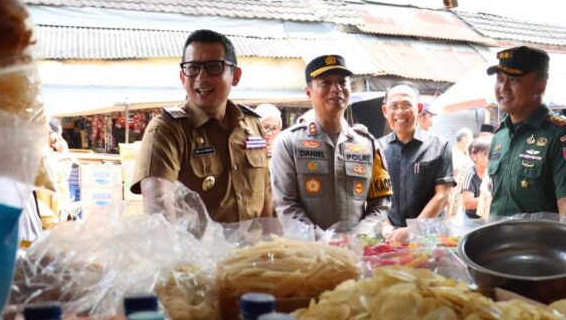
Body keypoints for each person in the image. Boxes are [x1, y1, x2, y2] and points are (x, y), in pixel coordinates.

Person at [131, 29, 272, 223]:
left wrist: (273, 247)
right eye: (192, 67)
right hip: (202, 252)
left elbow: (266, 202)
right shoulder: (166, 130)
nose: (201, 77)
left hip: (255, 251)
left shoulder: (253, 125)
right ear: (182, 77)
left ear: (236, 76)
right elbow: (158, 205)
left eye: (214, 66)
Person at [270, 55, 392, 237]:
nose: (336, 89)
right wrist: (323, 240)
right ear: (308, 92)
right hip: (308, 255)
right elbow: (286, 205)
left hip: (355, 252)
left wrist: (359, 237)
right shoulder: (288, 142)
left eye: (342, 82)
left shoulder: (368, 143)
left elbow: (381, 202)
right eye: (325, 83)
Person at [486, 46, 566, 220]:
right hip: (497, 244)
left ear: (540, 85)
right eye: (499, 79)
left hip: (540, 246)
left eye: (513, 80)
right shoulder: (500, 136)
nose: (502, 88)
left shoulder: (562, 138)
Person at [381, 83, 454, 243]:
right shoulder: (377, 148)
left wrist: (412, 231)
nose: (400, 112)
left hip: (429, 238)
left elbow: (443, 196)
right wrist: (386, 228)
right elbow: (372, 198)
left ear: (419, 108)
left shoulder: (440, 146)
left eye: (407, 105)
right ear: (385, 111)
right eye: (394, 106)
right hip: (389, 237)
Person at [459, 138, 490, 221]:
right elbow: (467, 203)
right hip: (471, 219)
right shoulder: (470, 174)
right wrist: (490, 198)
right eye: (485, 154)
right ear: (473, 156)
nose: (489, 158)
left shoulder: (492, 172)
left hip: (488, 218)